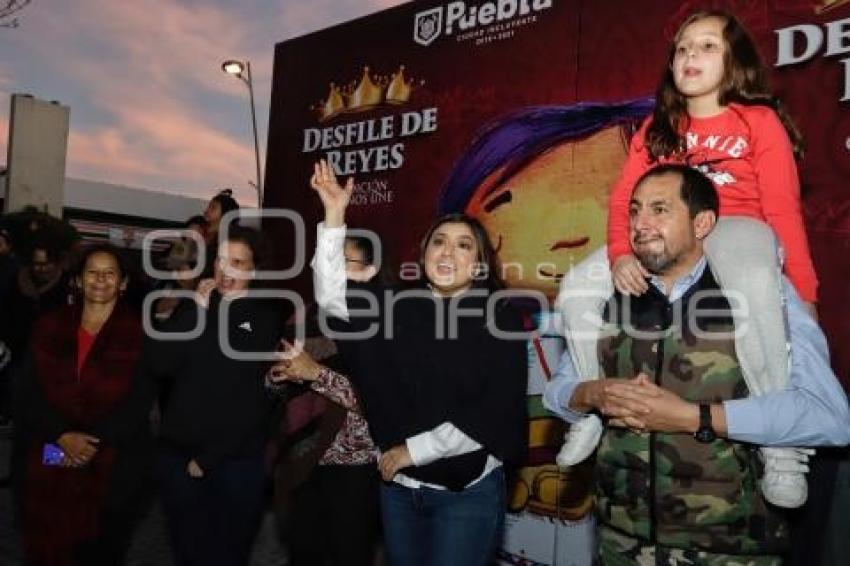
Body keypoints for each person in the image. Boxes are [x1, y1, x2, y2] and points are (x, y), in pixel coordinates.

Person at [557, 10, 819, 508]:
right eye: (682, 48)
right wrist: (618, 254)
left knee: (754, 276)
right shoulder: (658, 128)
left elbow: (784, 210)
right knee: (575, 290)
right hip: (663, 228)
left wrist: (804, 292)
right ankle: (594, 409)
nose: (690, 56)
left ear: (733, 61)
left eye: (706, 46)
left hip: (735, 224)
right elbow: (621, 203)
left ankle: (783, 442)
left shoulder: (758, 121)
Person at [543, 164, 850, 564]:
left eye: (659, 210)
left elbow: (827, 417)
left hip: (730, 550)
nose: (640, 224)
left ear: (702, 222)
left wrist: (692, 417)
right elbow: (558, 392)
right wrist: (590, 393)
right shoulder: (607, 298)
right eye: (634, 211)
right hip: (620, 545)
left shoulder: (760, 298)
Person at [310, 159, 528, 566]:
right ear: (424, 252)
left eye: (464, 245)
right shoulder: (399, 307)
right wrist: (334, 215)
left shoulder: (498, 318)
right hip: (399, 490)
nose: (448, 251)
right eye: (439, 241)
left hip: (466, 494)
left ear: (479, 264)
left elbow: (493, 413)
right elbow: (332, 300)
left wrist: (414, 450)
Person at [146, 225, 283, 566]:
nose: (226, 270)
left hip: (235, 462)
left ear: (254, 269)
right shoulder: (194, 307)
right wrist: (196, 308)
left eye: (238, 262)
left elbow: (254, 400)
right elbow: (161, 364)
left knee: (226, 555)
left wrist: (208, 460)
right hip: (178, 456)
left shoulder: (266, 316)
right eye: (221, 260)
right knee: (186, 553)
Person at [12, 244, 153, 566]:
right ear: (77, 280)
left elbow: (139, 400)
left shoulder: (142, 334)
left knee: (100, 554)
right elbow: (25, 392)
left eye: (110, 273)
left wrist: (89, 446)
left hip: (114, 466)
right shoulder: (48, 326)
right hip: (48, 456)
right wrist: (62, 436)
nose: (100, 280)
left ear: (124, 283)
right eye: (92, 271)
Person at [266, 235, 383, 566]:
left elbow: (378, 398)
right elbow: (276, 383)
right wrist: (277, 377)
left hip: (355, 465)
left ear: (369, 272)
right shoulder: (303, 316)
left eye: (346, 262)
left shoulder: (381, 322)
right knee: (302, 551)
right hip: (302, 455)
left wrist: (316, 373)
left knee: (348, 554)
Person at [200, 189, 240, 277]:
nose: (207, 210)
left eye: (213, 207)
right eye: (208, 206)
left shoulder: (228, 241)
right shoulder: (200, 232)